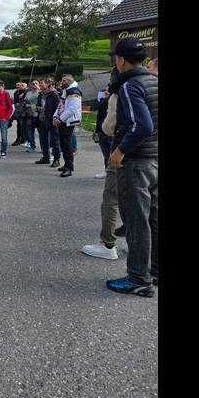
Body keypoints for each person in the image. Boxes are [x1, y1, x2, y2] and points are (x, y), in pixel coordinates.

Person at [105, 38, 158, 297]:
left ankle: (138, 278)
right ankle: (154, 270)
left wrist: (119, 151)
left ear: (121, 60)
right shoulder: (154, 81)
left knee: (136, 221)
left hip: (136, 162)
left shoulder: (129, 85)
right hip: (155, 159)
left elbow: (142, 126)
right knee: (153, 218)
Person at [82, 68, 123, 260]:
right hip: (149, 154)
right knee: (145, 201)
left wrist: (121, 150)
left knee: (111, 199)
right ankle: (146, 250)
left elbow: (109, 125)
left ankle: (108, 245)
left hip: (125, 152)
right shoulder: (150, 86)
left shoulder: (123, 90)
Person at [52, 74, 82, 178]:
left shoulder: (74, 92)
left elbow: (72, 109)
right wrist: (55, 116)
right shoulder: (66, 91)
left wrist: (60, 119)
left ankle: (69, 167)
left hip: (68, 122)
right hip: (63, 121)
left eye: (64, 81)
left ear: (69, 81)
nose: (62, 82)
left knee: (67, 145)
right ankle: (66, 164)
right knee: (64, 145)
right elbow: (61, 105)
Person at [35, 77, 61, 167]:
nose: (40, 85)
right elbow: (39, 104)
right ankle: (46, 157)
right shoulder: (41, 94)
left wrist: (55, 119)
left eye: (42, 83)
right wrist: (38, 108)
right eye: (40, 83)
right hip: (42, 120)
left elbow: (58, 108)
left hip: (51, 120)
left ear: (48, 84)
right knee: (43, 140)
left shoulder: (54, 94)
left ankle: (56, 159)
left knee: (54, 141)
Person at [93, 84, 112, 178]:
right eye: (105, 90)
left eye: (108, 90)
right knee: (106, 154)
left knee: (112, 154)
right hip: (102, 132)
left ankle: (113, 173)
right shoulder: (103, 102)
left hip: (111, 133)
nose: (106, 92)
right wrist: (96, 131)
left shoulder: (116, 103)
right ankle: (107, 171)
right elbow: (99, 117)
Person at [21, 80, 40, 153]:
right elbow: (25, 101)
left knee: (41, 132)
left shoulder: (40, 93)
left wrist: (31, 105)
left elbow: (41, 103)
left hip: (38, 115)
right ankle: (32, 146)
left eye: (36, 83)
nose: (34, 84)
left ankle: (44, 147)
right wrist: (25, 104)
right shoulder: (28, 93)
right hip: (29, 114)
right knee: (30, 131)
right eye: (33, 83)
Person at [11, 82, 28, 146]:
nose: (20, 86)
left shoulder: (26, 92)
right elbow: (15, 100)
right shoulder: (17, 92)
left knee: (22, 126)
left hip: (25, 112)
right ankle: (20, 139)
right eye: (18, 85)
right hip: (18, 111)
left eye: (22, 85)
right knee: (20, 125)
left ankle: (22, 139)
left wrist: (24, 93)